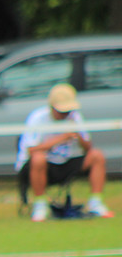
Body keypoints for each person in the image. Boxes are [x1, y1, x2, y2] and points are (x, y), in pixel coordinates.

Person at [16, 83, 113, 222]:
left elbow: (88, 148)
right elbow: (31, 149)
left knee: (97, 155)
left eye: (68, 111)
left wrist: (78, 133)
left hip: (67, 162)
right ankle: (40, 205)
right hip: (44, 166)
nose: (65, 115)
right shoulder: (38, 118)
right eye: (62, 111)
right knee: (38, 158)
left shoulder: (75, 117)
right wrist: (61, 138)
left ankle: (95, 203)